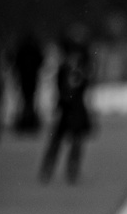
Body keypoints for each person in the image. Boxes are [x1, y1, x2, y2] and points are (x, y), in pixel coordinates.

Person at [39, 26, 95, 185]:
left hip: (77, 108)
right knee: (56, 140)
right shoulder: (64, 68)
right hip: (66, 108)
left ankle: (72, 169)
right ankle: (48, 168)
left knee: (76, 141)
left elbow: (85, 85)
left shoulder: (83, 68)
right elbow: (60, 87)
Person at [12, 31, 45, 134]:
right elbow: (40, 60)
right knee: (29, 100)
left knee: (26, 100)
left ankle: (27, 121)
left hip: (26, 77)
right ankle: (29, 121)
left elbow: (17, 61)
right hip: (30, 78)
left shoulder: (23, 49)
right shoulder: (33, 49)